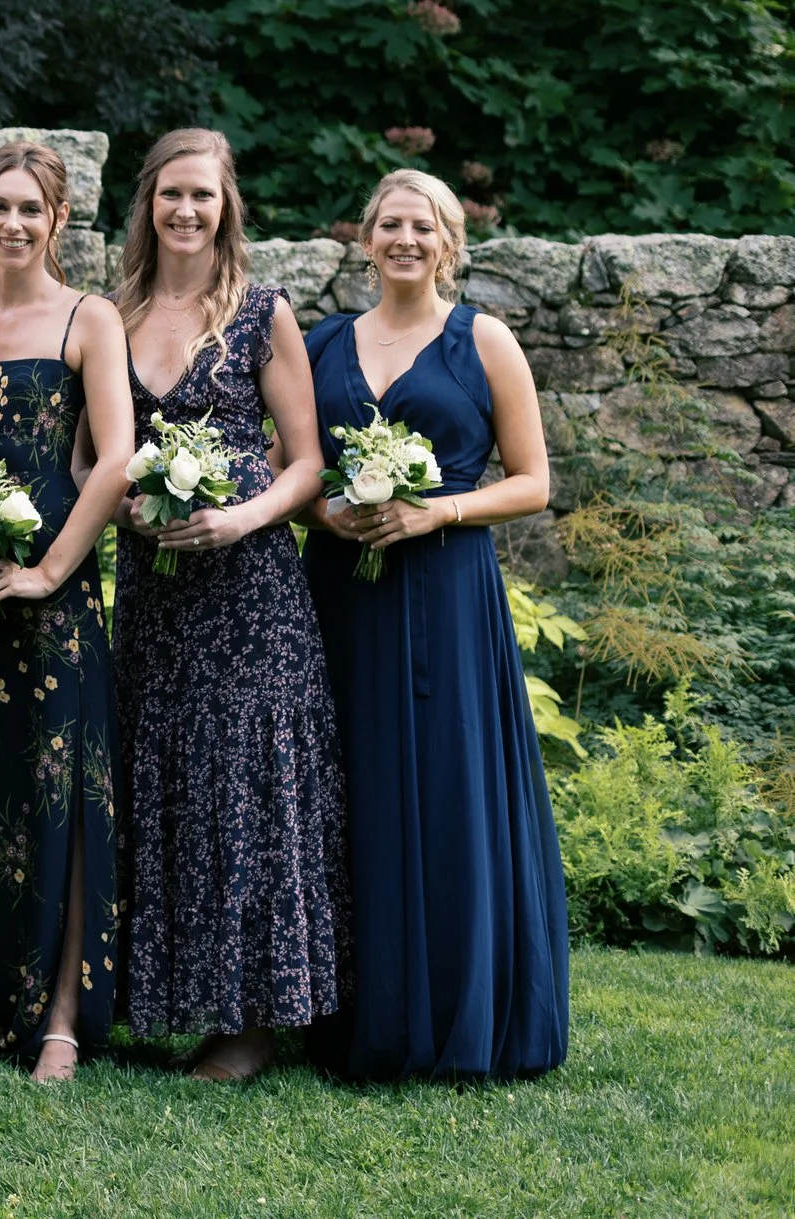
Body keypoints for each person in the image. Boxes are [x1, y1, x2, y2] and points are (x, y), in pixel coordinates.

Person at [303, 170, 570, 1082]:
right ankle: (351, 1010)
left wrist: (437, 512)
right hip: (343, 594)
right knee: (351, 784)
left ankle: (459, 1009)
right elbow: (291, 469)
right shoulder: (320, 343)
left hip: (449, 596)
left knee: (449, 784)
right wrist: (325, 513)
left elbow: (533, 481)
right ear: (366, 239)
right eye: (389, 224)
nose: (405, 238)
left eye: (423, 225)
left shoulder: (483, 340)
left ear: (450, 242)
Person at [109, 128, 348, 1082]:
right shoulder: (113, 311)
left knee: (247, 783)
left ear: (226, 206)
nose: (186, 211)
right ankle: (167, 998)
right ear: (148, 203)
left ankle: (255, 1020)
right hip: (154, 589)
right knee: (164, 775)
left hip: (250, 595)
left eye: (202, 196)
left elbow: (308, 460)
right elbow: (93, 451)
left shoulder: (259, 312)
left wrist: (242, 519)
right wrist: (121, 497)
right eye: (171, 194)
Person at [0, 139, 135, 1082]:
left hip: (53, 595)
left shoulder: (88, 318)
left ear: (59, 221)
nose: (12, 224)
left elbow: (116, 459)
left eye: (31, 209)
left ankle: (59, 1013)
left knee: (62, 791)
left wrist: (52, 571)